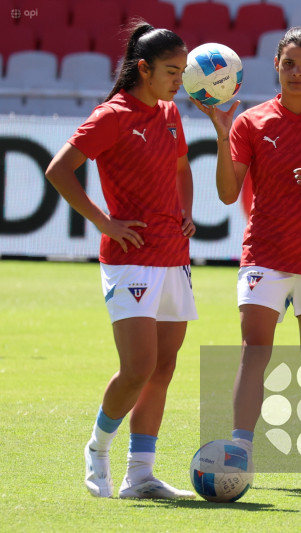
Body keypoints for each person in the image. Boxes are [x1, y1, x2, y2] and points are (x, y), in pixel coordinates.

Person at [191, 27, 301, 486]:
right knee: (255, 351)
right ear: (276, 64)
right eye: (289, 63)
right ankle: (240, 452)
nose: (297, 73)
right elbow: (227, 193)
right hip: (264, 255)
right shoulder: (251, 122)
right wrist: (221, 131)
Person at [45, 22, 197, 499]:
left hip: (174, 256)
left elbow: (179, 169)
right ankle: (97, 450)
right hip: (130, 259)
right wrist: (104, 221)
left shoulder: (171, 113)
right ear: (144, 68)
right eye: (172, 71)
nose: (179, 80)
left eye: (183, 71)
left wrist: (186, 211)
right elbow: (58, 169)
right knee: (137, 367)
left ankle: (141, 475)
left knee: (163, 369)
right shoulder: (111, 115)